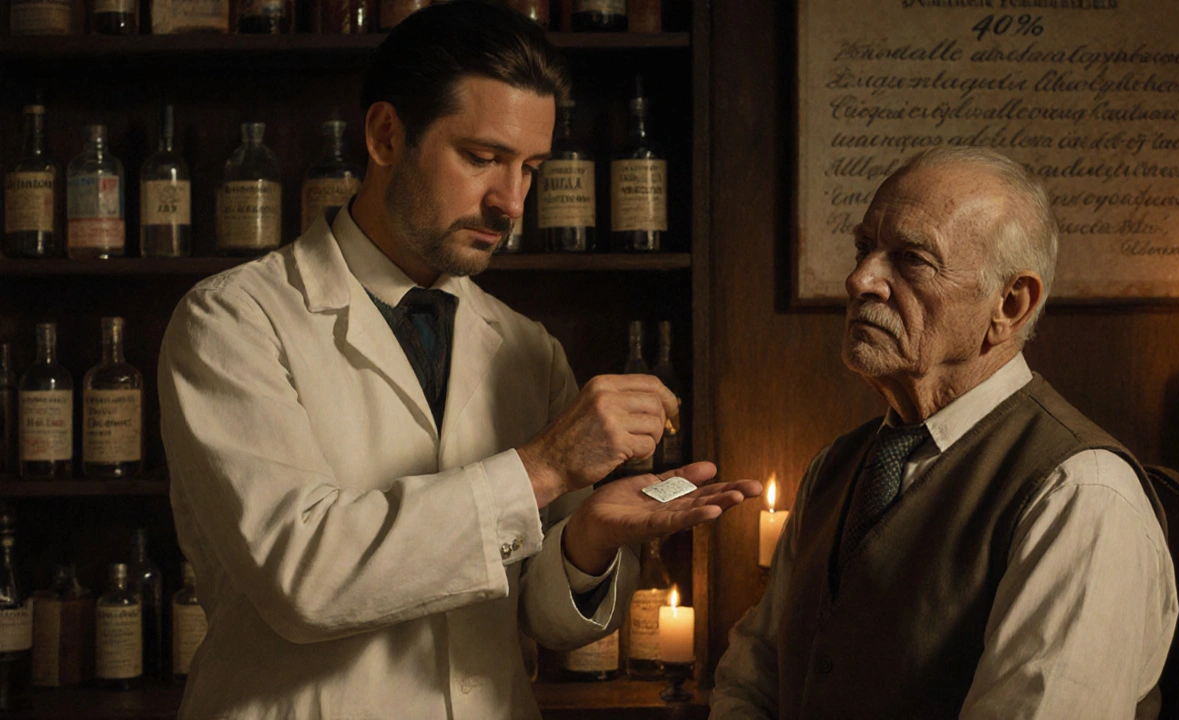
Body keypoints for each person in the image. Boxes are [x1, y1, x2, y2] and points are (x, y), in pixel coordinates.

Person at [158, 3, 760, 718]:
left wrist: (592, 541)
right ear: (386, 136)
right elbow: (305, 578)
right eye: (481, 158)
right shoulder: (233, 319)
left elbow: (547, 617)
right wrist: (542, 467)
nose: (511, 202)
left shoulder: (527, 346)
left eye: (531, 168)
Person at [710, 147, 1178, 719]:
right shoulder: (836, 467)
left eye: (910, 259)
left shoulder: (1082, 497)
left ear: (1010, 303)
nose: (860, 279)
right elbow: (751, 680)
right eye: (864, 248)